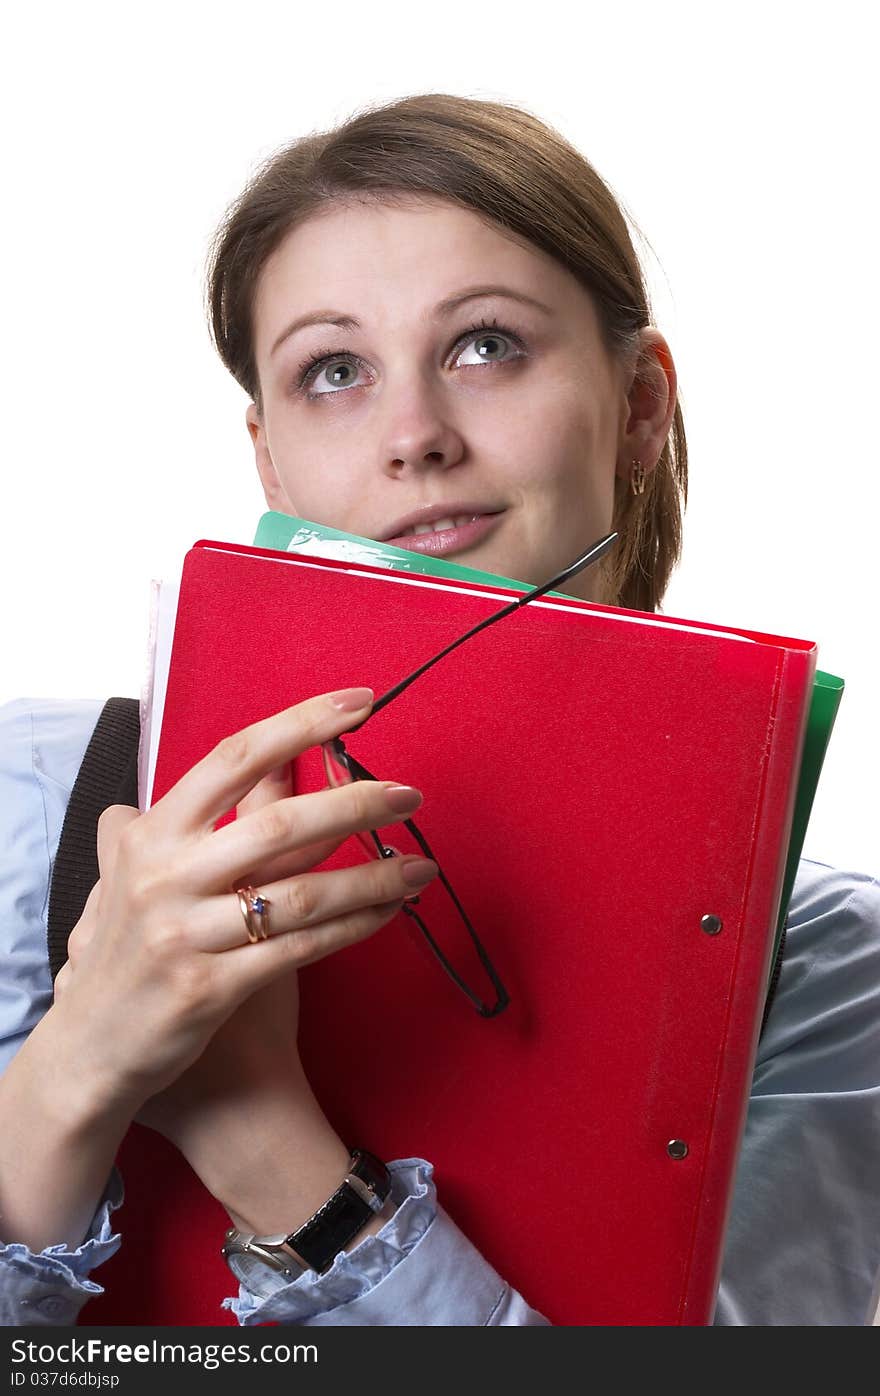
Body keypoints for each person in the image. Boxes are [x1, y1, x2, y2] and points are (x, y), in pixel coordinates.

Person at [1, 93, 878, 1328]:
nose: (413, 435)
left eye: (484, 346)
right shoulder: (33, 803)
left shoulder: (834, 967)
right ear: (269, 456)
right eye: (334, 370)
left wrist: (263, 1139)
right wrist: (65, 1081)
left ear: (639, 406)